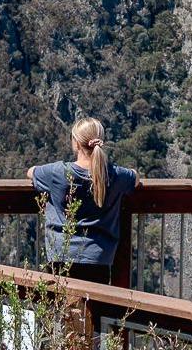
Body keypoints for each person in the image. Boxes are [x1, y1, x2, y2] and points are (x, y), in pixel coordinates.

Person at [25, 116, 137, 282]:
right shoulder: (115, 175)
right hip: (99, 257)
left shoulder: (58, 172)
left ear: (76, 143)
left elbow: (31, 172)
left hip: (61, 255)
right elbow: (135, 177)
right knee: (94, 307)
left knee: (62, 307)